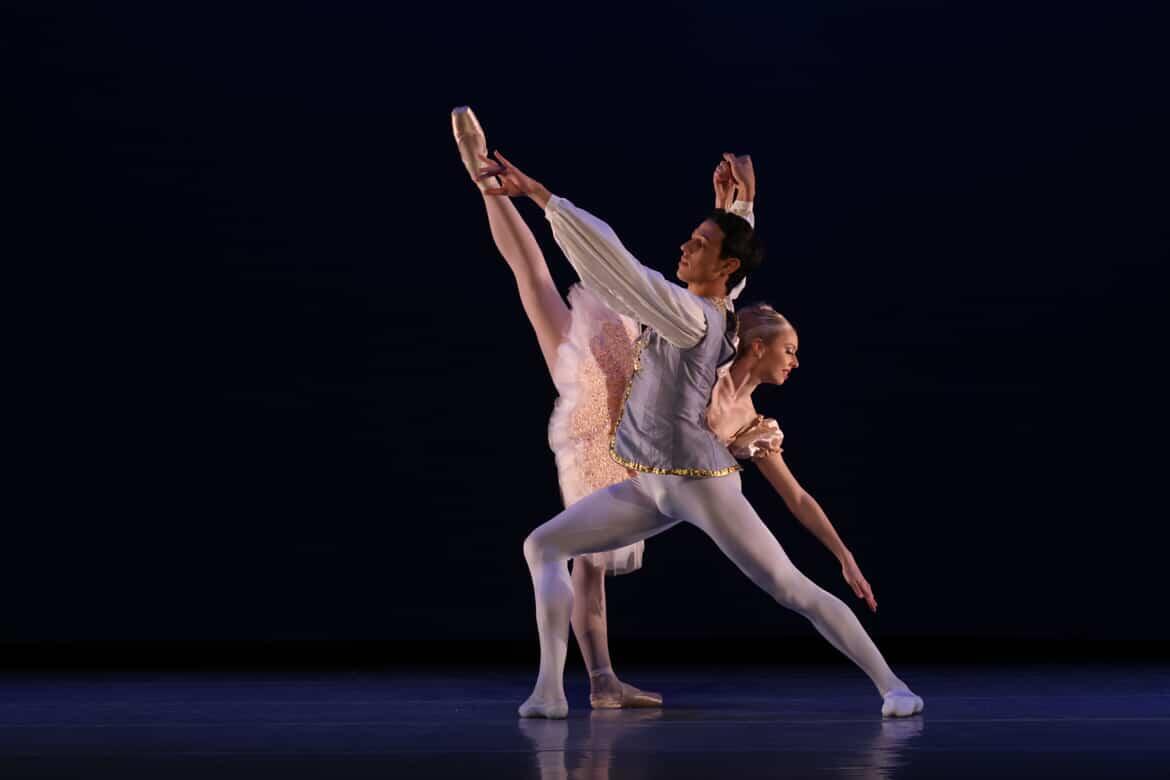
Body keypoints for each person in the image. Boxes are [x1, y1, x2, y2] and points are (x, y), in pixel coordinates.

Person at [476, 143, 924, 720]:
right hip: (648, 483)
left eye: (700, 245)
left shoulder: (689, 316)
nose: (685, 247)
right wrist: (738, 211)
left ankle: (893, 687)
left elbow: (624, 268)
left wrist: (540, 195)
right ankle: (549, 692)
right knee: (542, 544)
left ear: (724, 267)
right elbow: (728, 281)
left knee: (791, 588)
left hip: (699, 484)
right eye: (690, 239)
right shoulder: (714, 309)